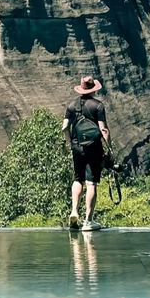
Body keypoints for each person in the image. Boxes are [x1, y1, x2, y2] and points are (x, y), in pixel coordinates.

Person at [62, 76, 110, 231]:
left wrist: (70, 143)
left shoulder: (71, 105)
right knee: (91, 182)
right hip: (93, 148)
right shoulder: (98, 106)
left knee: (78, 179)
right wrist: (109, 148)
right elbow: (103, 130)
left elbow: (64, 128)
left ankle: (74, 211)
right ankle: (88, 221)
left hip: (77, 147)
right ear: (94, 89)